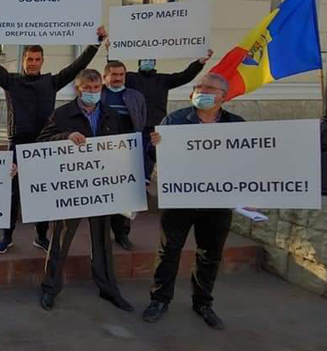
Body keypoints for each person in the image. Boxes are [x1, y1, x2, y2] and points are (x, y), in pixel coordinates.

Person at [0, 24, 108, 255]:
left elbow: (77, 67)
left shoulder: (51, 82)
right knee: (13, 194)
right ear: (24, 60)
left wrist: (95, 44)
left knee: (43, 192)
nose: (33, 63)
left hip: (44, 145)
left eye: (37, 59)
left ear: (42, 61)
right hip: (18, 144)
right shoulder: (11, 81)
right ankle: (7, 236)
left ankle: (41, 235)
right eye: (30, 59)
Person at [142, 73, 243, 331]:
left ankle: (203, 303)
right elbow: (154, 154)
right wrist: (155, 145)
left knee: (209, 254)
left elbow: (246, 162)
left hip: (217, 200)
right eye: (199, 87)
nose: (203, 91)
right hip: (180, 198)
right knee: (169, 250)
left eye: (210, 88)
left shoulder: (236, 124)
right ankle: (159, 300)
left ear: (223, 96)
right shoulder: (174, 120)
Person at [37, 68, 133, 313]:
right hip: (72, 187)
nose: (92, 92)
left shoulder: (111, 115)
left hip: (101, 187)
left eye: (96, 88)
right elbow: (42, 142)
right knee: (61, 239)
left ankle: (108, 288)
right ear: (78, 89)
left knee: (102, 240)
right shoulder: (62, 114)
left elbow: (122, 147)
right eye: (87, 88)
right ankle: (50, 288)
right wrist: (66, 136)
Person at [123, 51, 213, 181]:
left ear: (154, 63)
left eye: (150, 60)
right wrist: (111, 54)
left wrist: (199, 63)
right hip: (134, 123)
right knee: (133, 155)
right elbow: (115, 71)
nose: (147, 62)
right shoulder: (130, 78)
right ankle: (133, 179)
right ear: (139, 62)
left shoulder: (163, 80)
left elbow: (184, 76)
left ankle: (145, 180)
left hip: (156, 123)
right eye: (144, 59)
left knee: (151, 153)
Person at [101, 60, 148, 251]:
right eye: (114, 74)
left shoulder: (136, 97)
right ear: (105, 77)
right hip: (102, 153)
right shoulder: (98, 94)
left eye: (121, 74)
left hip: (128, 153)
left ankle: (122, 234)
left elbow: (141, 123)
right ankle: (101, 235)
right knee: (103, 194)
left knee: (125, 195)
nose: (118, 78)